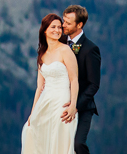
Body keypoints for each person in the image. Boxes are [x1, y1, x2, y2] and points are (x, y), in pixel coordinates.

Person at [22, 13, 79, 154]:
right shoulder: (42, 54)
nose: (57, 30)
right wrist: (33, 111)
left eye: (60, 27)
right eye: (53, 27)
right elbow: (39, 87)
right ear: (45, 30)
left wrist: (73, 105)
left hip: (62, 101)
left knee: (59, 138)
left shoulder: (65, 50)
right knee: (32, 130)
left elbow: (74, 79)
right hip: (46, 101)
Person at [60, 5, 100, 154]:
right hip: (60, 103)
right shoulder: (60, 43)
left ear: (79, 25)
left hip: (82, 107)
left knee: (77, 144)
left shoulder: (90, 49)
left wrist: (75, 106)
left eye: (68, 23)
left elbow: (94, 84)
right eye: (63, 21)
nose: (63, 25)